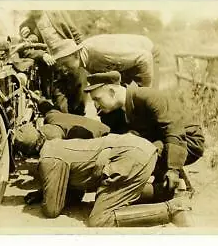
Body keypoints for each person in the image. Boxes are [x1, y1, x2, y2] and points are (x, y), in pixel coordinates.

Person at [13, 123, 192, 227]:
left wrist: (47, 193)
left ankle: (172, 210)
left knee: (99, 220)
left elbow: (52, 210)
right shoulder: (56, 144)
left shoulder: (49, 159)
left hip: (127, 158)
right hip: (136, 147)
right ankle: (168, 191)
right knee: (119, 191)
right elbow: (76, 187)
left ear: (26, 154)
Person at [84, 71, 205, 202]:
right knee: (133, 150)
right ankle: (173, 184)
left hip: (188, 140)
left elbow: (174, 131)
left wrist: (173, 169)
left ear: (112, 92)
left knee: (143, 154)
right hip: (161, 141)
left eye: (97, 99)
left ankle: (176, 189)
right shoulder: (110, 113)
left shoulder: (148, 97)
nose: (96, 105)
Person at [19, 10, 88, 115]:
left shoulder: (58, 13)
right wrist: (42, 55)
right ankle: (67, 122)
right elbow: (25, 50)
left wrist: (82, 50)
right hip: (52, 67)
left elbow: (76, 34)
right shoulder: (26, 25)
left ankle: (79, 120)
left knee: (79, 95)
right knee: (60, 105)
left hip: (71, 58)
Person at [52, 34, 160, 88]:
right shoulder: (83, 61)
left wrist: (146, 90)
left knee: (151, 101)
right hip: (126, 64)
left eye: (65, 64)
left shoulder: (99, 51)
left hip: (147, 53)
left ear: (75, 54)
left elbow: (144, 57)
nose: (64, 69)